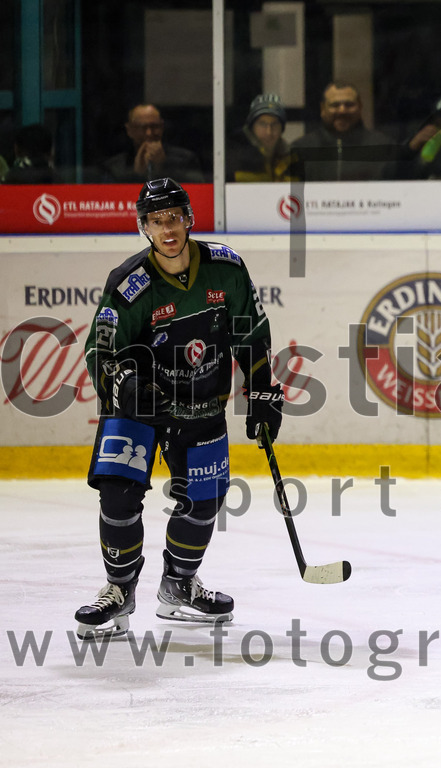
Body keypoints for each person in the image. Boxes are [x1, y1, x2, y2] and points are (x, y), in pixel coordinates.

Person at [74, 178, 284, 640]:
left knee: (205, 501)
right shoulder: (130, 285)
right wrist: (127, 386)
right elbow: (100, 351)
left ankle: (179, 586)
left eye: (173, 218)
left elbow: (250, 332)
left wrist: (262, 390)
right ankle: (119, 589)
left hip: (201, 403)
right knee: (118, 495)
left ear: (189, 218)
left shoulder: (226, 269)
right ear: (144, 227)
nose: (166, 229)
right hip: (138, 409)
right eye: (155, 221)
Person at [291, 82, 393, 181]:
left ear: (360, 107)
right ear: (323, 109)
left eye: (349, 105)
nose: (342, 111)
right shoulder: (300, 149)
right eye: (335, 105)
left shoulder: (385, 148)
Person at [100, 104, 205, 184]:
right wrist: (136, 175)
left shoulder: (185, 160)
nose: (149, 133)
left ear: (162, 127)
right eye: (142, 127)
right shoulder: (114, 167)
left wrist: (162, 168)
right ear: (129, 130)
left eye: (154, 126)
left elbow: (195, 193)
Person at [226, 93, 300, 182]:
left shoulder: (290, 158)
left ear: (282, 128)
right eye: (262, 124)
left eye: (275, 124)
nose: (269, 132)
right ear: (252, 127)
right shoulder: (234, 157)